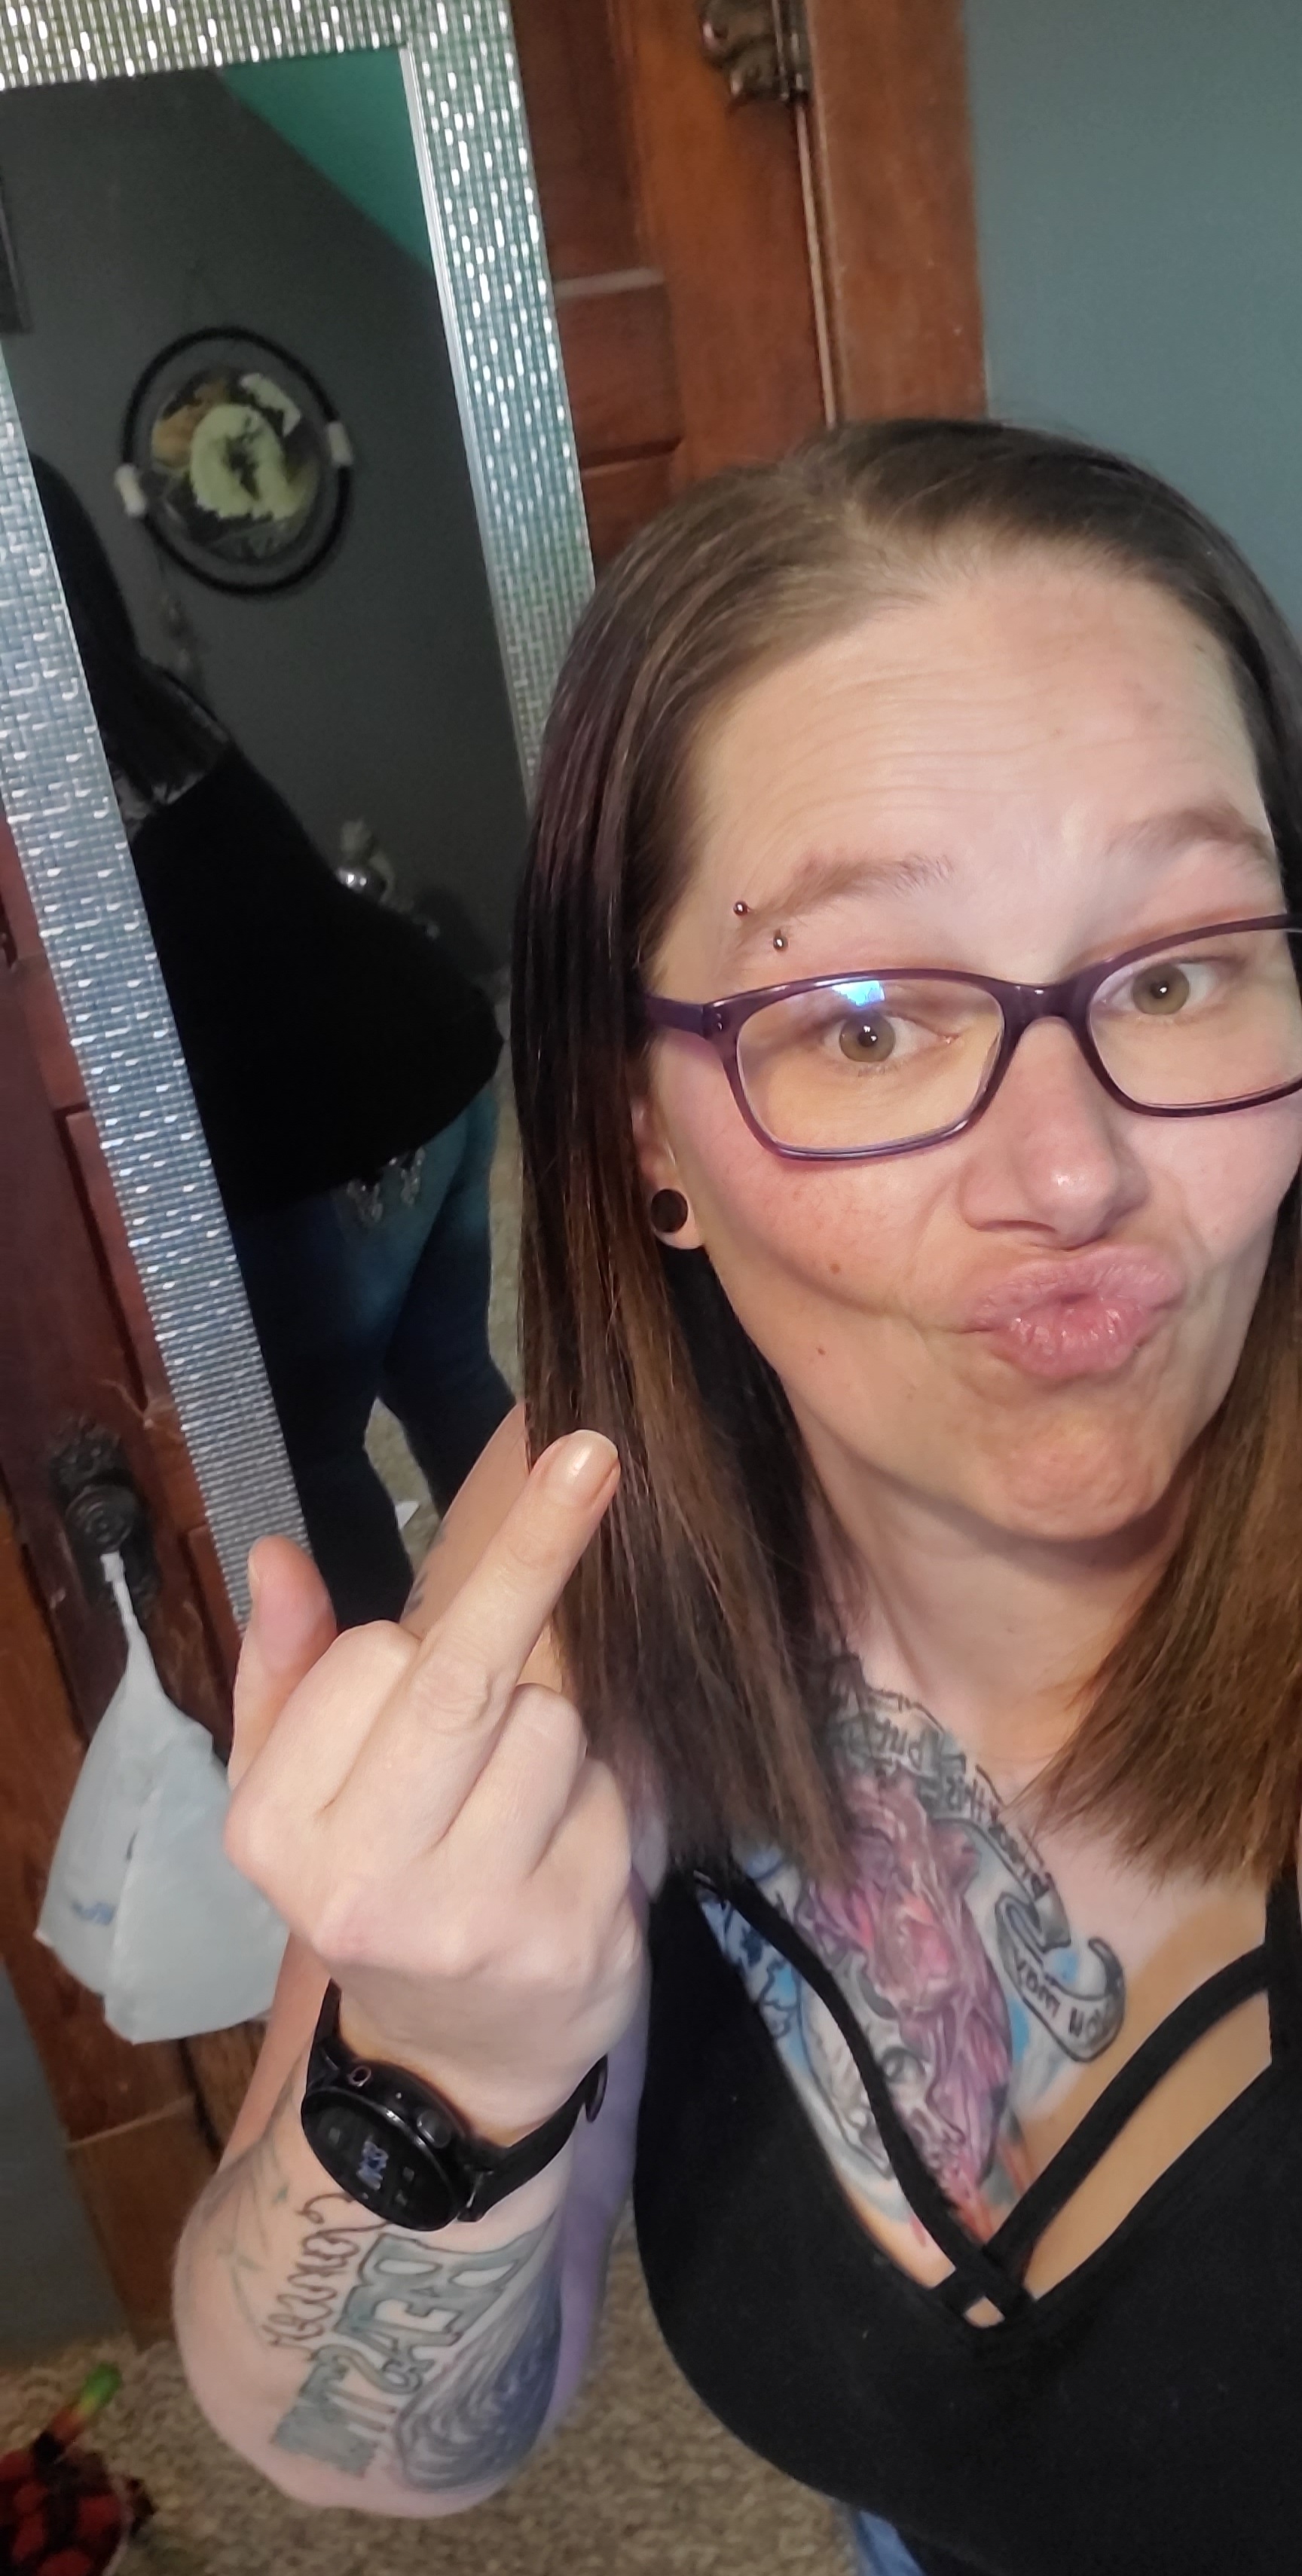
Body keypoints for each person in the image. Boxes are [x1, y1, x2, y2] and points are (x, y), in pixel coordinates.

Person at [175, 421, 1302, 2572]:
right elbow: (354, 2447)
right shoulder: (601, 1529)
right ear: (644, 1132)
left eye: (1175, 972)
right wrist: (438, 2062)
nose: (1071, 1172)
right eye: (863, 1021)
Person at [32, 457, 513, 1625]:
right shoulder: (154, 711)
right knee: (450, 1374)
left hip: (327, 1128)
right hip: (432, 1051)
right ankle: (589, 1622)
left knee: (311, 1451)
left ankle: (395, 1690)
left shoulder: (47, 788)